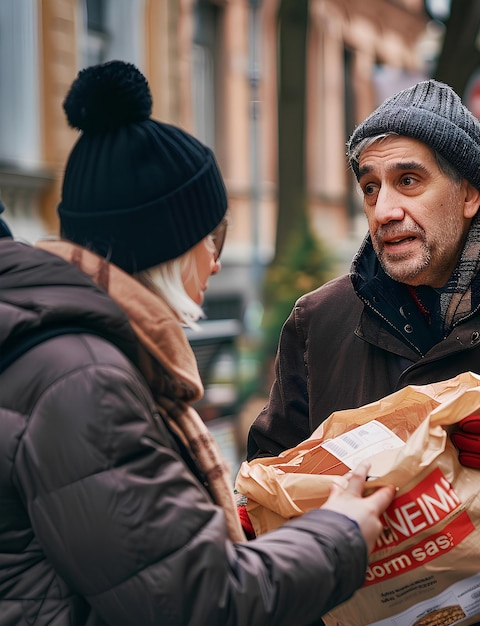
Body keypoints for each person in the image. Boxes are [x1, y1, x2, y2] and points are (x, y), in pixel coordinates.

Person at [0, 60, 395, 626]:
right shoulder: (84, 380)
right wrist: (340, 534)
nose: (215, 260)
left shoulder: (60, 350)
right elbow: (197, 601)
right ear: (166, 244)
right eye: (212, 238)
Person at [247, 79, 480, 625]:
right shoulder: (319, 322)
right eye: (371, 188)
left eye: (409, 181)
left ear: (470, 193)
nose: (384, 210)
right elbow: (269, 472)